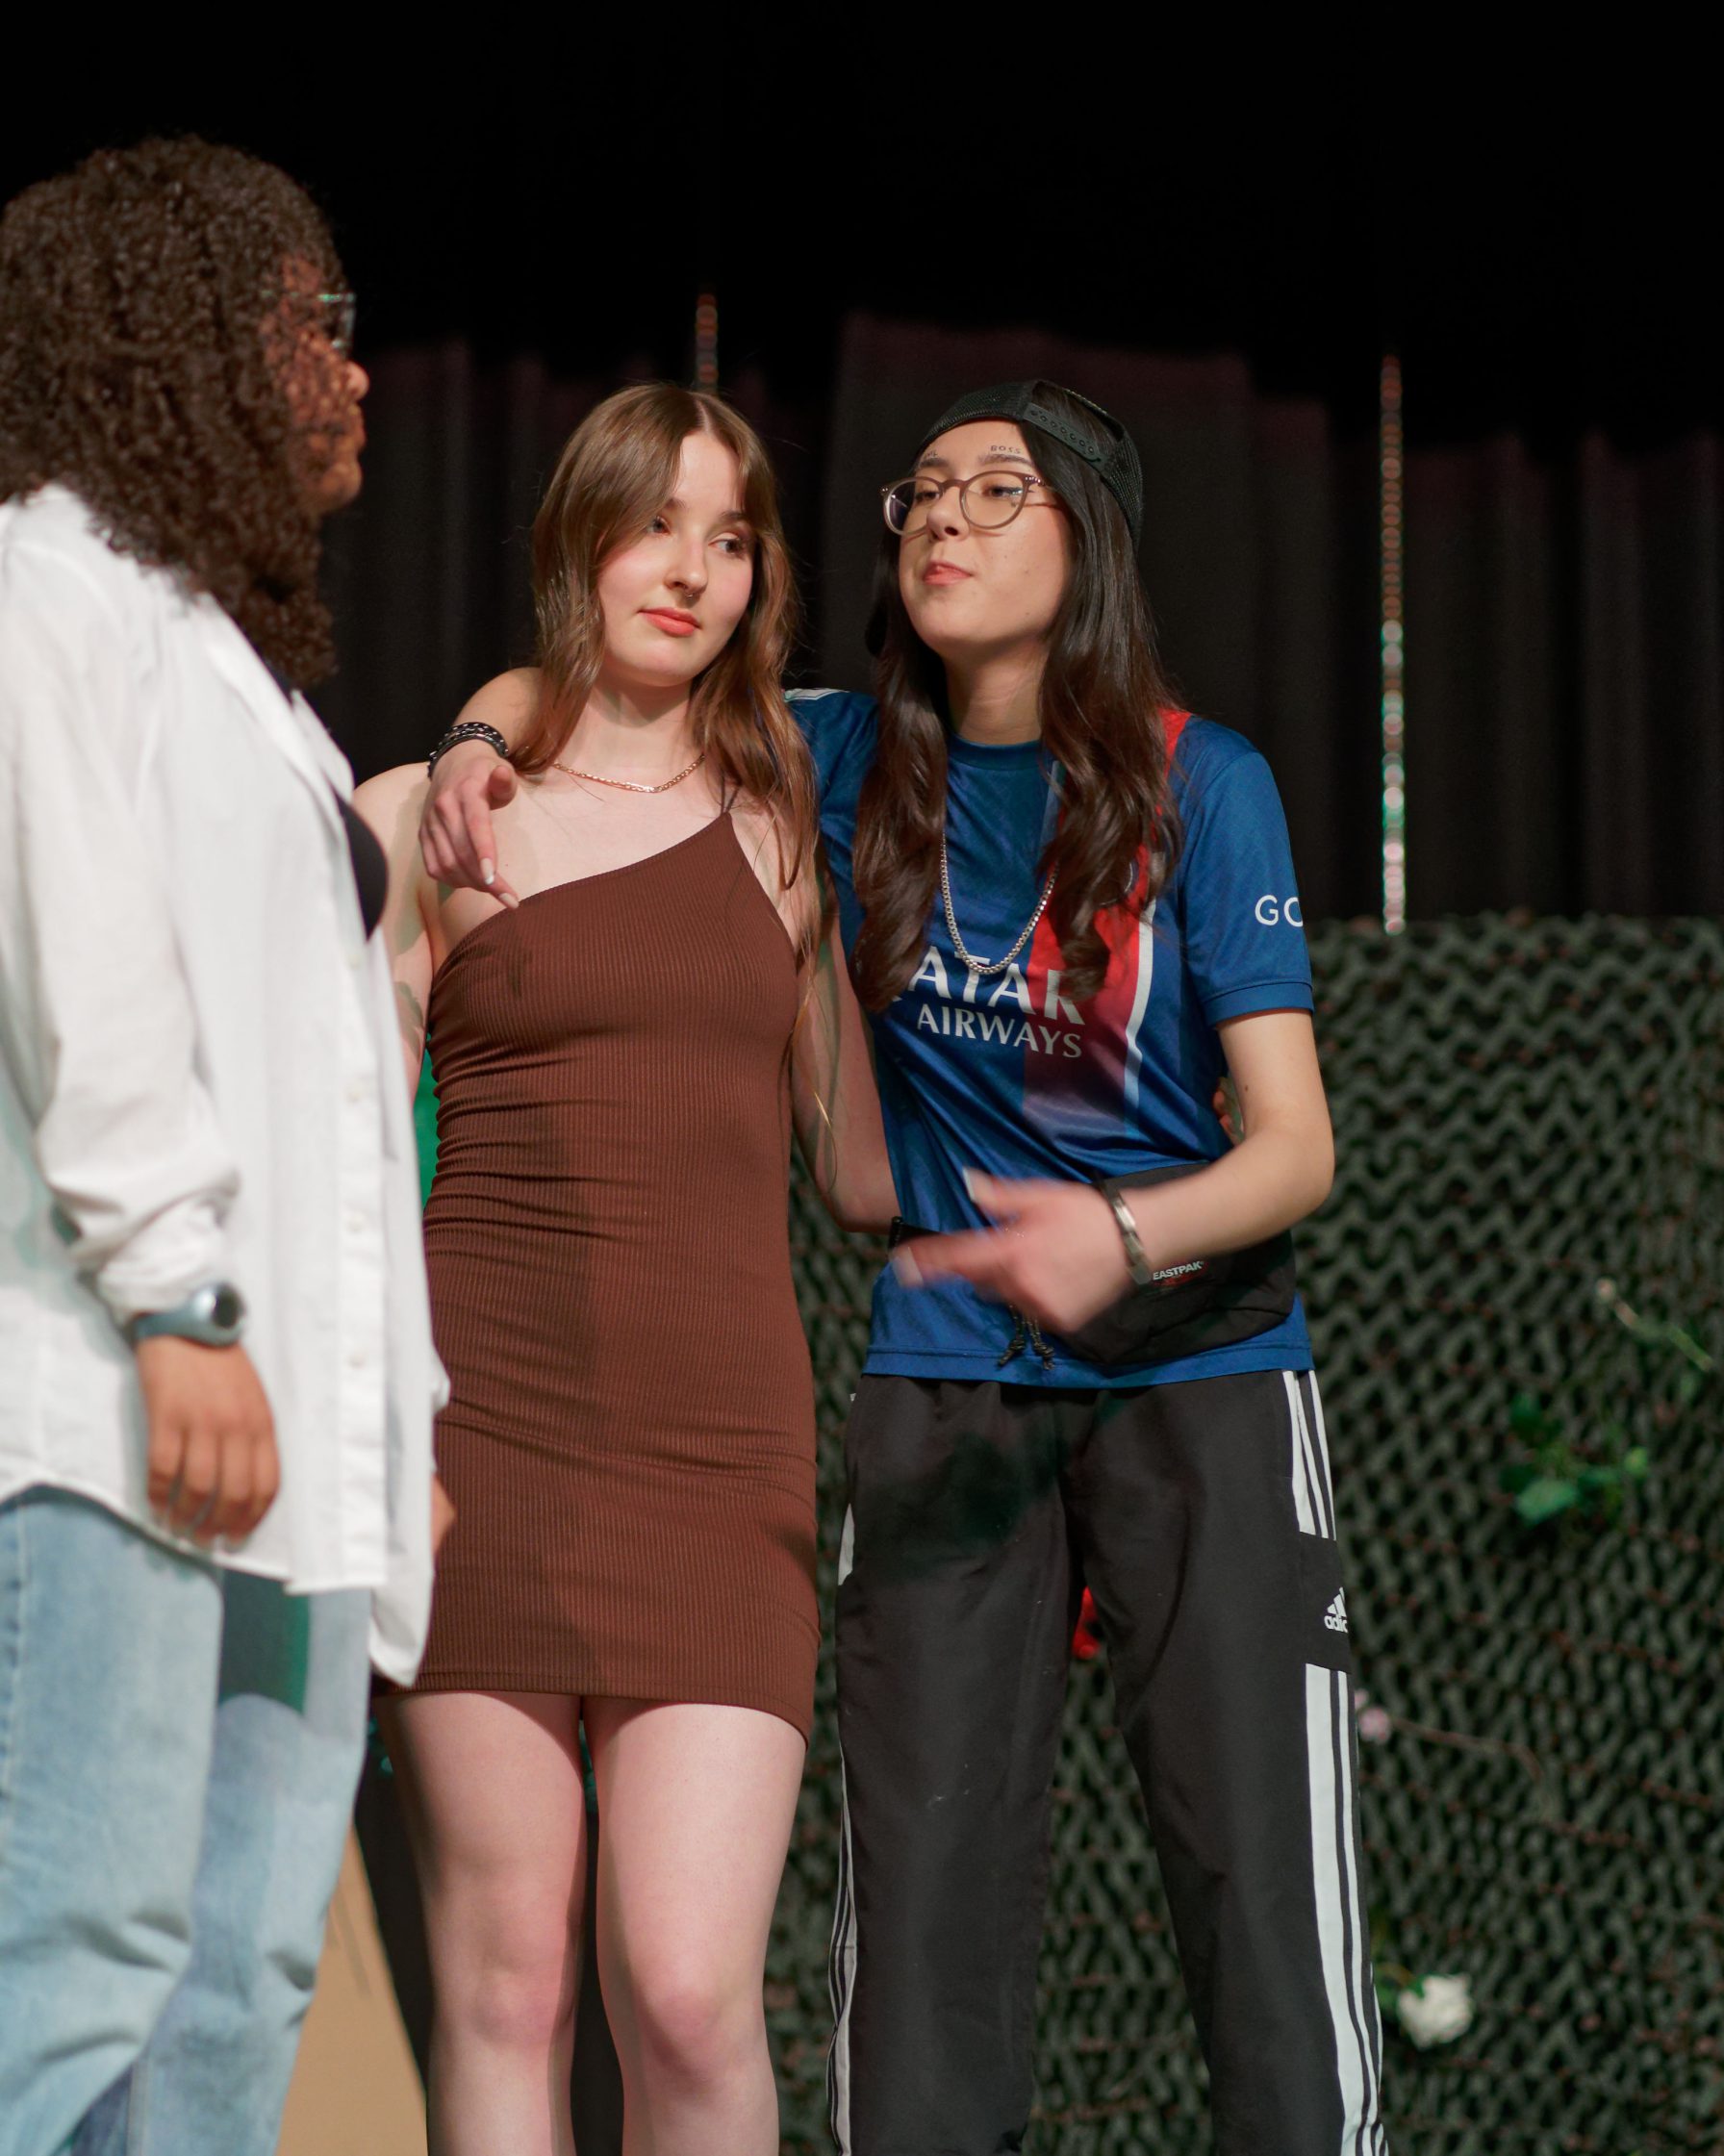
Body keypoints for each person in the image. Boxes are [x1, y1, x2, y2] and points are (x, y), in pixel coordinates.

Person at [425, 379, 1384, 2154]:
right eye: (921, 489)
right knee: (924, 1921)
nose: (943, 515)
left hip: (1202, 1368)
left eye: (996, 490)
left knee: (1261, 1900)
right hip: (950, 1378)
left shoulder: (1204, 777)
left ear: (1091, 537)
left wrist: (1119, 1233)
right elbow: (592, 683)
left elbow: (1295, 1149)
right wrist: (477, 734)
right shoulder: (832, 755)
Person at [357, 380, 890, 2154]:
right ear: (574, 536)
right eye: (654, 521)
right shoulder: (430, 812)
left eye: (730, 536)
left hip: (721, 1451)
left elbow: (862, 1167)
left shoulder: (791, 814)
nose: (690, 569)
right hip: (483, 1435)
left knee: (685, 1989)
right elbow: (342, 1149)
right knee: (507, 1985)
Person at [0, 139, 444, 2154]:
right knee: (72, 1948)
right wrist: (177, 1301)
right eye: (311, 324)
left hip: (300, 1455)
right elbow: (86, 976)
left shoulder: (235, 664)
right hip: (130, 1404)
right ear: (179, 344)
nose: (352, 371)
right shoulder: (49, 588)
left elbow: (329, 1096)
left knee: (240, 1975)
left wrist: (394, 1419)